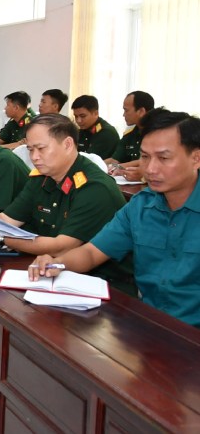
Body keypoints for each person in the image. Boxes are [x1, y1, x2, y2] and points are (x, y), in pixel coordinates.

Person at [28, 109, 200, 325]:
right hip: (149, 326)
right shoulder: (140, 206)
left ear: (196, 158)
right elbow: (91, 253)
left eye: (164, 158)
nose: (151, 169)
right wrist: (56, 263)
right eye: (145, 157)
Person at [0, 114, 134, 294]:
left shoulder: (94, 187)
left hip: (103, 286)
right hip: (48, 270)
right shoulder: (41, 178)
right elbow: (7, 220)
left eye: (41, 148)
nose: (34, 157)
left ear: (67, 144)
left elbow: (62, 246)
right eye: (30, 149)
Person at [106, 90, 155, 180]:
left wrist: (121, 166)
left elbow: (150, 159)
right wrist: (99, 165)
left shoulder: (157, 132)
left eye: (126, 110)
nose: (123, 114)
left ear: (141, 111)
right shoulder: (130, 132)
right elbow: (114, 160)